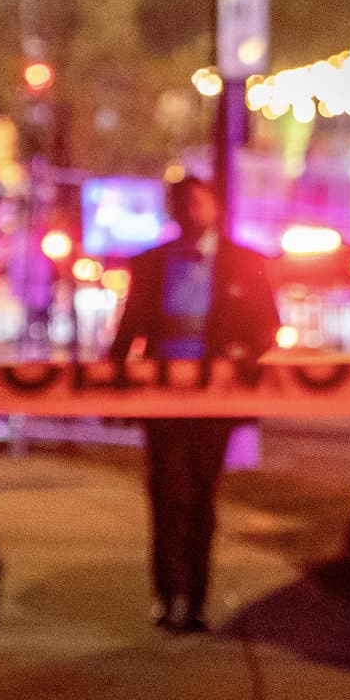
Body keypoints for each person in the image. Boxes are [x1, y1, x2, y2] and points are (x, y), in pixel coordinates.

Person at [107, 175, 278, 633]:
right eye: (182, 204)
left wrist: (241, 354)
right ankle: (166, 598)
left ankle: (196, 601)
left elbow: (268, 325)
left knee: (202, 496)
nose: (190, 212)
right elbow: (129, 329)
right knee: (164, 494)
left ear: (215, 207)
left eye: (199, 202)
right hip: (161, 396)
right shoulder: (150, 263)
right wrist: (109, 384)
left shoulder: (246, 263)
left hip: (214, 399)